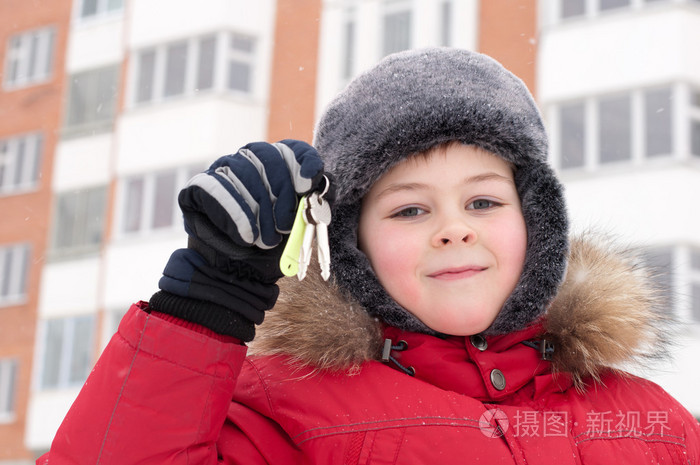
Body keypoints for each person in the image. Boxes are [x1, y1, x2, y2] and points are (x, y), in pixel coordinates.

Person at [39, 48, 699, 464]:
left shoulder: (657, 424)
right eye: (411, 209)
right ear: (353, 244)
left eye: (483, 202)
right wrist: (206, 303)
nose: (453, 230)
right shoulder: (282, 410)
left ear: (538, 220)